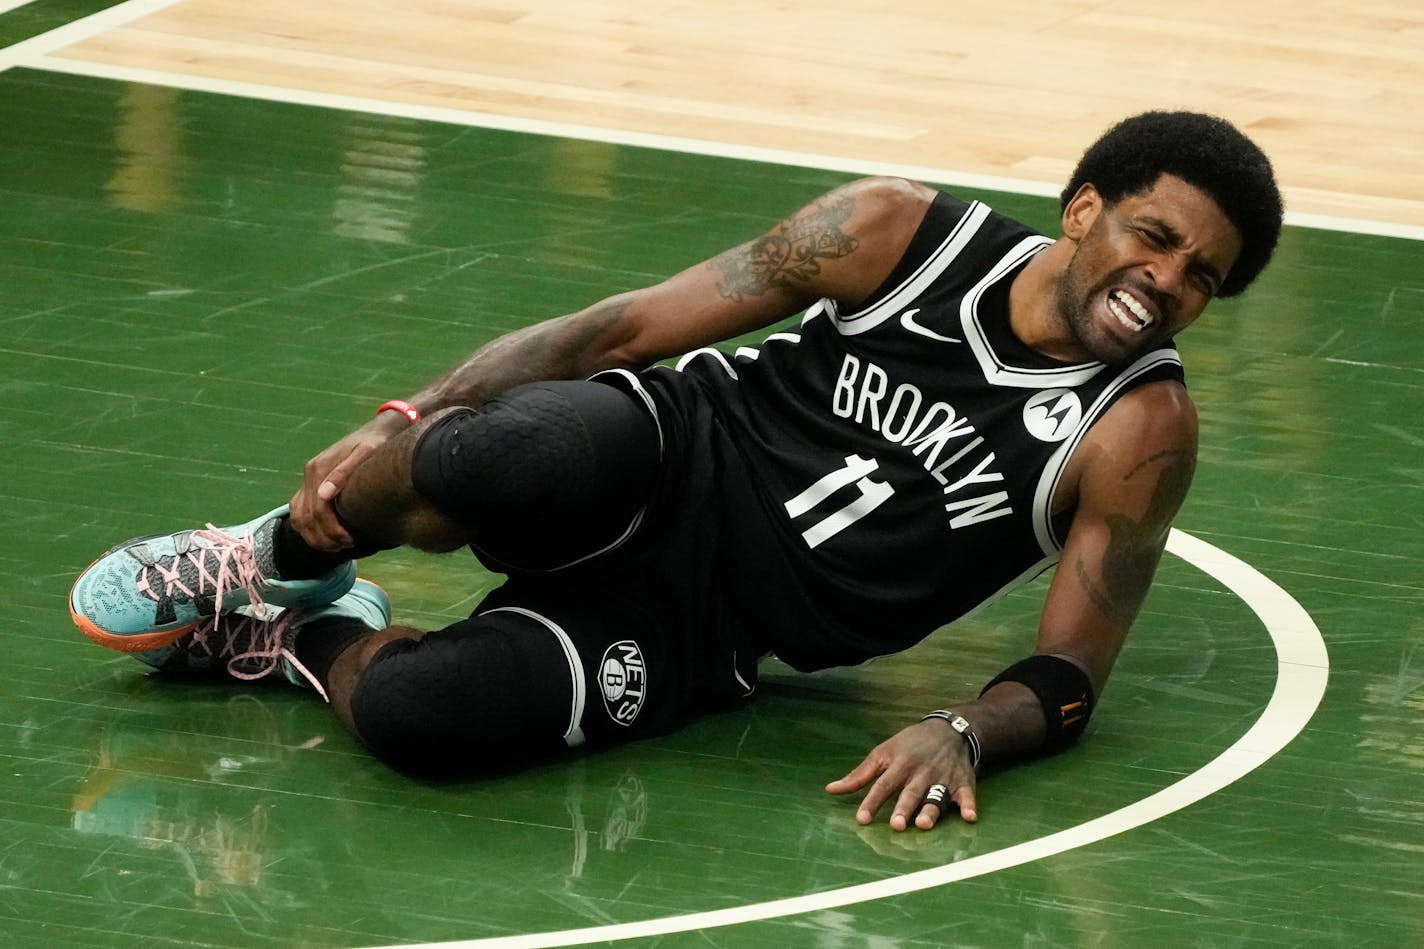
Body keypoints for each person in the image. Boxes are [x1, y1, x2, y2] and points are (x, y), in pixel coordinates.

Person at [69, 110, 1283, 832]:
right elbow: (617, 332)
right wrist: (409, 414)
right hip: (670, 448)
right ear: (1082, 209)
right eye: (1154, 236)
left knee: (423, 721)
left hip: (705, 626)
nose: (1166, 282)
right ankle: (264, 557)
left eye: (1200, 278)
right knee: (503, 448)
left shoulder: (1138, 433)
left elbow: (1070, 671)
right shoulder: (896, 232)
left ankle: (292, 639)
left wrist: (964, 725)